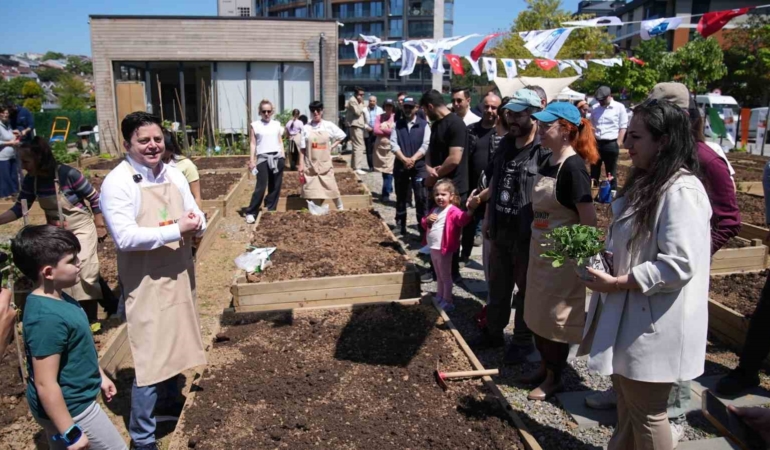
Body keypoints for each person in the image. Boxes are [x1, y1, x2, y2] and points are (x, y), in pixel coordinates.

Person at [579, 100, 711, 450]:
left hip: (654, 325)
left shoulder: (681, 191)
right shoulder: (650, 182)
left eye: (635, 137)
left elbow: (679, 264)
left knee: (648, 413)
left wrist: (620, 281)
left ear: (664, 141)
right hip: (633, 317)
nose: (626, 144)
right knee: (628, 407)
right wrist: (610, 260)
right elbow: (638, 245)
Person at [101, 111, 207, 450]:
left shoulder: (173, 174)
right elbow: (125, 237)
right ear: (127, 144)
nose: (152, 146)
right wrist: (178, 229)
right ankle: (142, 437)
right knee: (149, 355)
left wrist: (199, 223)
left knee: (176, 339)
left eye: (157, 139)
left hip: (176, 271)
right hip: (145, 279)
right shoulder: (117, 183)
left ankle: (169, 402)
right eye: (143, 140)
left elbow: (194, 210)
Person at [513, 102, 598, 400]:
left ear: (564, 130)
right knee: (535, 314)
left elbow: (588, 220)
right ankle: (544, 367)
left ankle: (554, 376)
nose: (540, 130)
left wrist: (587, 263)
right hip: (540, 253)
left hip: (561, 263)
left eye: (546, 125)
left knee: (555, 320)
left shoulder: (574, 168)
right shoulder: (549, 160)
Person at [13, 225, 126, 450]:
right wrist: (70, 431)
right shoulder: (46, 319)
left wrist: (99, 374)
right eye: (72, 260)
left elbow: (79, 347)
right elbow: (45, 383)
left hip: (72, 401)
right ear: (48, 272)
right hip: (74, 409)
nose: (79, 263)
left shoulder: (59, 298)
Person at [467, 89, 549, 365]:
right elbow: (495, 181)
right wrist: (488, 215)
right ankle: (493, 333)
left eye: (519, 114)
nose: (512, 119)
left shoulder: (543, 149)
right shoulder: (505, 144)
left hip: (527, 233)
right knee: (499, 285)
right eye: (509, 113)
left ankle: (522, 341)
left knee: (526, 289)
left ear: (534, 114)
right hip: (501, 227)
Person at [0, 137, 113, 316]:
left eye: (26, 161)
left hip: (81, 228)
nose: (22, 166)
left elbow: (94, 197)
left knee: (85, 270)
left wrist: (100, 224)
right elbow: (20, 208)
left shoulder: (68, 174)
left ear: (40, 158)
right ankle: (106, 305)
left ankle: (90, 320)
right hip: (58, 234)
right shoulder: (32, 180)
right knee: (68, 272)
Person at [421, 89, 470, 282]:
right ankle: (437, 269)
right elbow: (430, 152)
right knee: (435, 228)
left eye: (425, 110)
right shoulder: (437, 125)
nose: (426, 114)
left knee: (449, 233)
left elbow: (454, 159)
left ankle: (450, 272)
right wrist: (428, 168)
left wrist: (434, 177)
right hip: (439, 186)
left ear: (430, 107)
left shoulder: (456, 124)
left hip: (454, 188)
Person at [422, 179, 476, 312]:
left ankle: (448, 300)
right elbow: (425, 223)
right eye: (437, 194)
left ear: (451, 196)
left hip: (444, 249)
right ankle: (440, 296)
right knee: (438, 275)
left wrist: (470, 210)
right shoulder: (435, 209)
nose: (439, 197)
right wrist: (427, 220)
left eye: (443, 194)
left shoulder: (453, 210)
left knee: (445, 276)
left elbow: (462, 220)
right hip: (434, 247)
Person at [461, 92, 502, 266]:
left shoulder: (502, 134)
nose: (490, 110)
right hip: (472, 185)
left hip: (493, 188)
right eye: (487, 106)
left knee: (491, 225)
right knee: (468, 223)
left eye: (494, 107)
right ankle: (464, 255)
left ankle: (492, 261)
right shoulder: (470, 130)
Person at [391, 96, 429, 236]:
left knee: (421, 197)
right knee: (401, 196)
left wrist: (413, 159)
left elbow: (426, 145)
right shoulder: (397, 124)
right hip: (401, 166)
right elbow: (393, 144)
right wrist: (403, 159)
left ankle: (422, 227)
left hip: (419, 167)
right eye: (405, 107)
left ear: (416, 108)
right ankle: (400, 224)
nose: (407, 109)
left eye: (410, 107)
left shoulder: (424, 125)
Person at [300, 101, 346, 210]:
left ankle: (340, 208)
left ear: (322, 111)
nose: (315, 113)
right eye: (313, 111)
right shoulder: (306, 128)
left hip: (325, 164)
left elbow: (342, 136)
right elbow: (302, 148)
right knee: (313, 189)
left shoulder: (328, 125)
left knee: (331, 186)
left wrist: (331, 147)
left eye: (318, 110)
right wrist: (301, 165)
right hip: (311, 163)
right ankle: (317, 210)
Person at [245, 99, 285, 224]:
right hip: (262, 158)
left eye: (269, 111)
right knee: (261, 186)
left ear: (272, 112)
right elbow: (253, 143)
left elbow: (280, 140)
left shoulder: (277, 124)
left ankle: (270, 208)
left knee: (275, 185)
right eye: (264, 111)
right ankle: (251, 211)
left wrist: (283, 155)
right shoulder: (255, 125)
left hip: (277, 157)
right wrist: (252, 160)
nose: (266, 114)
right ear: (260, 112)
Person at [590, 86, 628, 191]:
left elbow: (623, 127)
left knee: (611, 171)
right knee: (594, 171)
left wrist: (618, 143)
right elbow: (592, 126)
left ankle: (611, 193)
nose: (600, 102)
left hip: (611, 143)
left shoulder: (619, 107)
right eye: (599, 100)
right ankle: (593, 192)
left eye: (602, 100)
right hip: (596, 143)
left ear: (609, 96)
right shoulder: (595, 108)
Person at [162, 130, 202, 208]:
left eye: (166, 158)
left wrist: (200, 217)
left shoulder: (185, 165)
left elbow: (196, 197)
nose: (163, 163)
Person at [373, 99, 396, 202]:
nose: (388, 108)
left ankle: (385, 193)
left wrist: (383, 129)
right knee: (384, 170)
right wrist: (387, 130)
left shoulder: (395, 117)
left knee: (388, 170)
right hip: (381, 148)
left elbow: (395, 132)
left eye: (390, 106)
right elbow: (376, 130)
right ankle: (389, 187)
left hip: (391, 147)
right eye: (387, 106)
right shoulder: (379, 117)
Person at [346, 87, 368, 174]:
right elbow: (358, 112)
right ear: (356, 94)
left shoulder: (356, 101)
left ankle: (354, 166)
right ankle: (357, 167)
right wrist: (361, 103)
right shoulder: (353, 100)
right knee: (359, 146)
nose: (362, 96)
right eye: (360, 94)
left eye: (363, 95)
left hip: (357, 125)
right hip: (356, 125)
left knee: (356, 146)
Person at [0, 106, 20, 198]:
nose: (5, 115)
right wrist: (10, 142)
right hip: (3, 156)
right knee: (5, 177)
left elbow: (11, 136)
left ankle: (14, 193)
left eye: (7, 113)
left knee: (13, 176)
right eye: (3, 113)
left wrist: (16, 135)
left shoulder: (8, 125)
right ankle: (5, 195)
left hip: (12, 155)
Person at [364, 95, 383, 172]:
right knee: (369, 150)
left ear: (376, 102)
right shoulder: (364, 110)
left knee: (377, 149)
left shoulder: (380, 110)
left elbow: (382, 120)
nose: (372, 102)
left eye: (373, 101)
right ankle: (371, 166)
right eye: (370, 101)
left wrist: (378, 128)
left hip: (377, 132)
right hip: (368, 131)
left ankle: (377, 165)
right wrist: (366, 127)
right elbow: (362, 121)